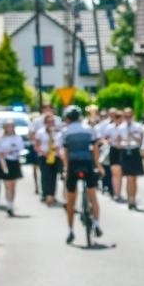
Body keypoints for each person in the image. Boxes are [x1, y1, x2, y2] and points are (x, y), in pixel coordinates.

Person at [58, 104, 103, 245]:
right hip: (88, 164)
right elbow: (95, 148)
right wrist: (98, 165)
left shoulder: (65, 132)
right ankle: (96, 223)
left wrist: (66, 168)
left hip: (73, 165)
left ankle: (70, 230)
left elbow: (65, 152)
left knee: (71, 200)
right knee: (92, 195)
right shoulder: (89, 129)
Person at [115, 106, 144, 210]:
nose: (128, 118)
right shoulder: (120, 127)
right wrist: (123, 142)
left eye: (130, 116)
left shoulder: (138, 126)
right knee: (129, 178)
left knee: (134, 178)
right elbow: (117, 143)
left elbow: (141, 141)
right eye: (126, 116)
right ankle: (130, 200)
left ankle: (133, 198)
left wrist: (133, 136)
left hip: (134, 151)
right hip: (125, 151)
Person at [32, 107, 61, 207]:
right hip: (44, 156)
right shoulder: (40, 132)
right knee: (45, 175)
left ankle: (52, 194)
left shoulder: (57, 132)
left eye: (52, 121)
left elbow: (60, 145)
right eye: (49, 122)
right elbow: (36, 146)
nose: (51, 123)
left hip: (54, 156)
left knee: (53, 176)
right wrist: (44, 152)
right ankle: (46, 194)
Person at [0, 118, 25, 215]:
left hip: (14, 161)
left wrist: (13, 150)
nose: (10, 129)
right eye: (8, 127)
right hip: (5, 162)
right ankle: (8, 204)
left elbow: (20, 148)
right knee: (7, 185)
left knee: (13, 185)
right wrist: (3, 154)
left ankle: (11, 203)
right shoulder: (1, 138)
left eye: (12, 127)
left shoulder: (17, 138)